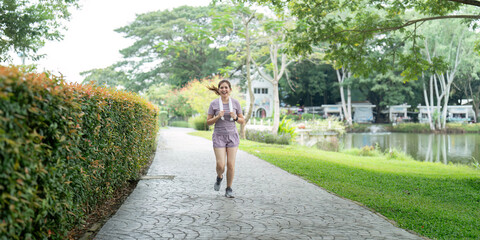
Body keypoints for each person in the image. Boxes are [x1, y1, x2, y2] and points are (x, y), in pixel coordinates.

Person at [207, 79, 244, 198]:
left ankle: (229, 188)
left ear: (230, 89)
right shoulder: (214, 104)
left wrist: (236, 118)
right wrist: (217, 116)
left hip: (232, 136)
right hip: (219, 136)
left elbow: (242, 121)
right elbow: (208, 122)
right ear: (218, 90)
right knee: (221, 165)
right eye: (221, 87)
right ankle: (219, 177)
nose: (224, 89)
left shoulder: (236, 103)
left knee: (231, 164)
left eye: (226, 87)